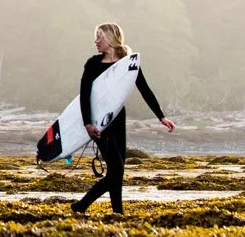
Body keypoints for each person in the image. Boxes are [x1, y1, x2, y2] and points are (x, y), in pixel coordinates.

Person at [74, 22, 175, 215]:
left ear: (111, 38)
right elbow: (84, 95)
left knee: (116, 171)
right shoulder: (93, 64)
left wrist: (161, 116)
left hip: (118, 120)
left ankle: (117, 213)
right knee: (117, 169)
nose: (95, 41)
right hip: (98, 122)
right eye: (95, 37)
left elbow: (144, 89)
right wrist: (87, 123)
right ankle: (82, 205)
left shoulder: (128, 63)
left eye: (99, 36)